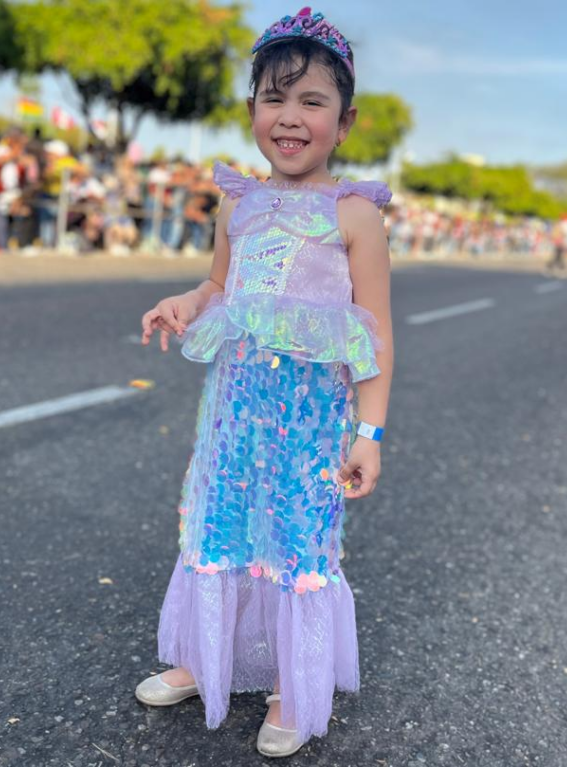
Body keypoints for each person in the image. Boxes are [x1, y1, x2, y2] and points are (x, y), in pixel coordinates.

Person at [136, 7, 394, 758]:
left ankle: (290, 681)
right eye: (273, 99)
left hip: (310, 421)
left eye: (312, 102)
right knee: (218, 522)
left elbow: (375, 336)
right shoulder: (238, 203)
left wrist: (369, 431)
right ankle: (205, 657)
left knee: (294, 535)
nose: (290, 117)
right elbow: (220, 285)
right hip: (234, 411)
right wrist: (188, 302)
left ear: (344, 122)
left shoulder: (355, 215)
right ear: (251, 109)